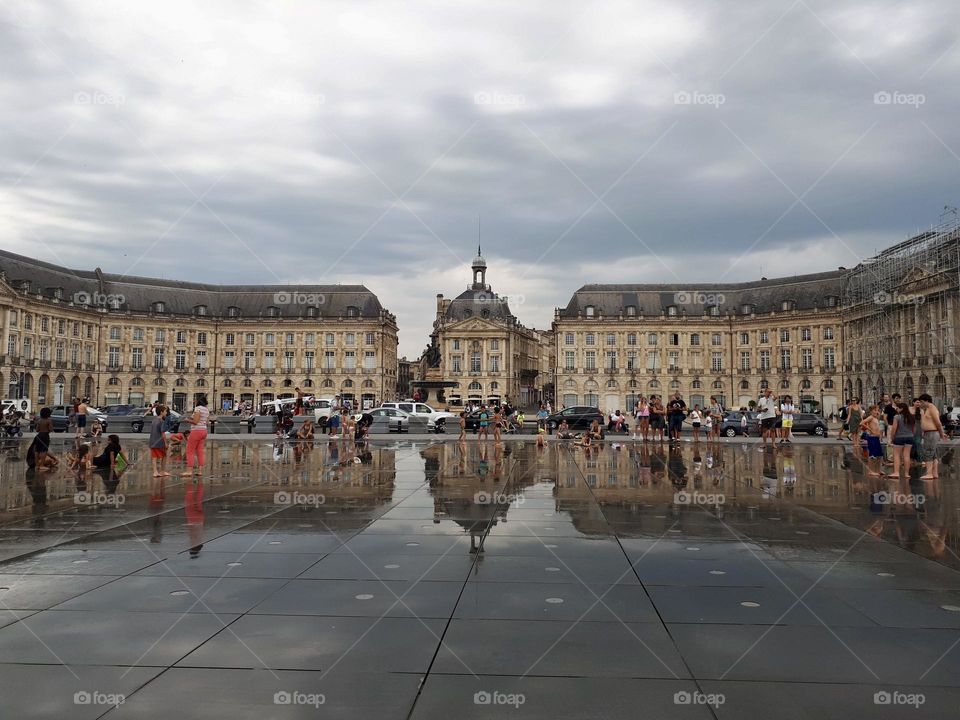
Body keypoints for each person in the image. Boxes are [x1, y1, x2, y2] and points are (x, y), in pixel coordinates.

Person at [918, 393, 947, 480]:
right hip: (929, 433)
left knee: (928, 452)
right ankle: (934, 473)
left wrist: (942, 434)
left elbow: (938, 423)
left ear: (927, 401)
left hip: (932, 433)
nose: (920, 404)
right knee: (933, 454)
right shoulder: (926, 409)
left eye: (922, 402)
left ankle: (929, 473)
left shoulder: (932, 408)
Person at [182, 394, 210, 478]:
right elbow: (207, 422)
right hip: (204, 431)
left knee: (190, 450)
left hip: (196, 431)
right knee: (200, 451)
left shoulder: (197, 409)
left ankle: (189, 471)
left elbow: (196, 421)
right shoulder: (206, 410)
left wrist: (187, 420)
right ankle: (200, 471)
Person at [887, 402, 916, 481]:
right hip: (910, 437)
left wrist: (892, 437)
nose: (897, 409)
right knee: (906, 455)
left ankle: (896, 472)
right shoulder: (911, 417)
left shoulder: (897, 417)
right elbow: (914, 429)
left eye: (898, 408)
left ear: (901, 409)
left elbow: (894, 429)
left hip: (899, 437)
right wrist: (911, 435)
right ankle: (907, 473)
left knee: (896, 455)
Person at [859, 405, 884, 477]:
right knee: (872, 455)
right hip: (872, 438)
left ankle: (879, 469)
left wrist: (878, 414)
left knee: (880, 455)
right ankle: (870, 471)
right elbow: (861, 423)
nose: (876, 411)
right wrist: (869, 429)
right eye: (875, 410)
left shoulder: (876, 418)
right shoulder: (870, 417)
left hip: (876, 437)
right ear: (871, 411)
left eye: (877, 410)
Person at [149, 405, 170, 478]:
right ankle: (162, 471)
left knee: (154, 457)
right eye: (165, 411)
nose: (166, 412)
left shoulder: (154, 420)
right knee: (164, 456)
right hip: (160, 442)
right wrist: (166, 443)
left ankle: (155, 472)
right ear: (161, 412)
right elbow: (163, 433)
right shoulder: (162, 421)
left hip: (152, 441)